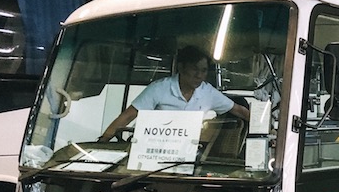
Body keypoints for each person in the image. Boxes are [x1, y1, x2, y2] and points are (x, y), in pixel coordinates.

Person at [98, 45, 249, 142]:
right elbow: (128, 115)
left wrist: (269, 131)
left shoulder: (208, 92)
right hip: (151, 147)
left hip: (187, 154)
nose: (199, 75)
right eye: (195, 69)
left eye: (203, 71)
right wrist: (104, 140)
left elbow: (239, 110)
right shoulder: (159, 88)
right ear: (182, 68)